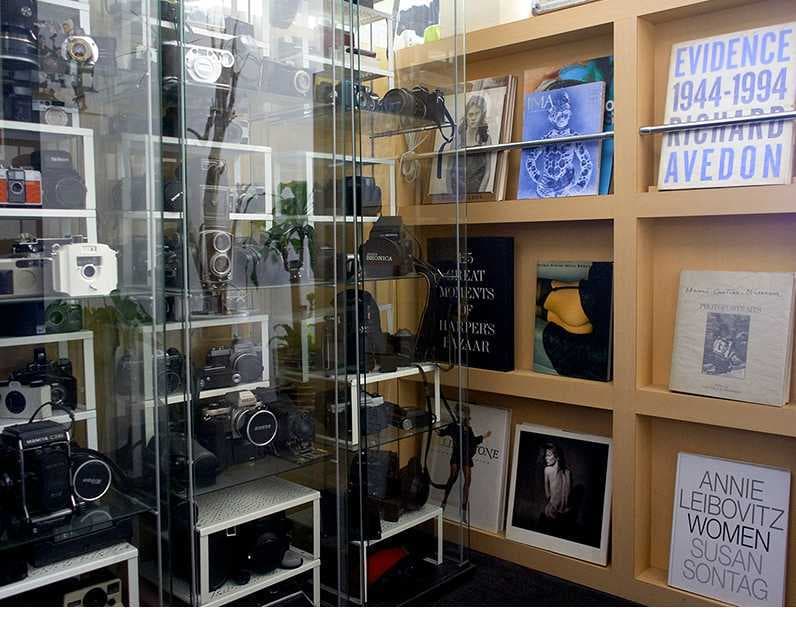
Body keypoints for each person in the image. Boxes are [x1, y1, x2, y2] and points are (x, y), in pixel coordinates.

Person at [525, 90, 593, 198]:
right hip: (544, 190)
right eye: (558, 114)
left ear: (569, 115)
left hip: (566, 188)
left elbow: (587, 163)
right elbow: (530, 159)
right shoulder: (546, 138)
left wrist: (580, 185)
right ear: (552, 116)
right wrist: (537, 177)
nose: (562, 118)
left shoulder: (574, 137)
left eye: (565, 114)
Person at [438, 416, 491, 513]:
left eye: (467, 419)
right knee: (453, 477)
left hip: (466, 457)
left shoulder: (468, 429)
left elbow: (473, 441)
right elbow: (442, 433)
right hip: (456, 456)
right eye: (466, 419)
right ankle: (444, 501)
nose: (468, 421)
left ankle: (464, 508)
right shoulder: (453, 426)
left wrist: (484, 436)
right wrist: (435, 428)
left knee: (467, 480)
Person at [444, 94, 494, 196]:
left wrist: (479, 196)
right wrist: (450, 195)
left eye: (477, 114)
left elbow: (487, 172)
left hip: (476, 193)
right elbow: (448, 171)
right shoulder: (457, 140)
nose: (473, 118)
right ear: (466, 116)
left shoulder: (486, 140)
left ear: (482, 115)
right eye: (470, 114)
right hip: (457, 192)